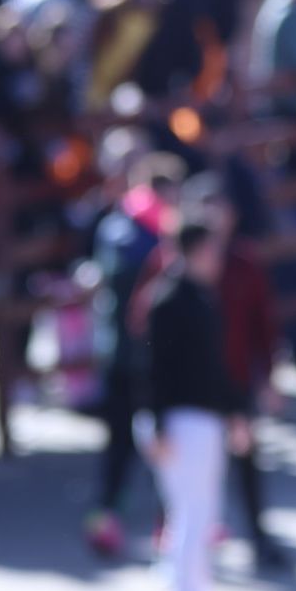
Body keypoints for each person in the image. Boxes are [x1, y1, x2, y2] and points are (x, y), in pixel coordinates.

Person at [132, 173, 288, 570]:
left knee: (242, 463)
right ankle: (171, 552)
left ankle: (256, 537)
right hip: (189, 395)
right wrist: (155, 415)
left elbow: (262, 327)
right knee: (185, 489)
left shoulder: (243, 264)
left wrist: (266, 379)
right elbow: (150, 346)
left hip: (231, 382)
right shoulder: (172, 280)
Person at [144, 219, 251, 591]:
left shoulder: (197, 299)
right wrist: (156, 425)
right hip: (182, 422)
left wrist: (234, 412)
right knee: (193, 515)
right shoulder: (170, 301)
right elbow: (154, 371)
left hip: (193, 418)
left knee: (191, 514)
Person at [86, 152, 184, 558]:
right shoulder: (151, 232)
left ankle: (137, 519)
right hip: (141, 355)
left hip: (124, 350)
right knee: (147, 441)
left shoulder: (119, 226)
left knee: (133, 444)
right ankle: (145, 521)